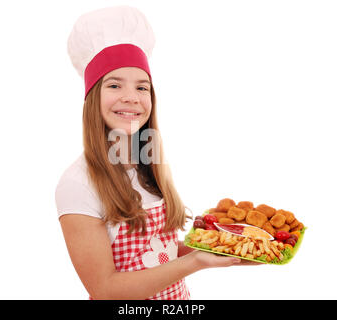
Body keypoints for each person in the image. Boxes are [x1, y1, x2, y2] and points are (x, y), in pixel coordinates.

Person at [55, 6, 259, 300]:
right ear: (92, 97)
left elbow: (157, 249)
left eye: (142, 87)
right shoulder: (78, 183)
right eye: (115, 85)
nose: (132, 97)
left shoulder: (146, 164)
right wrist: (194, 262)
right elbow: (105, 289)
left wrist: (221, 244)